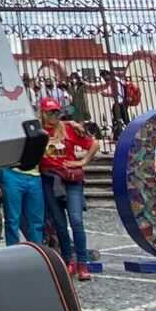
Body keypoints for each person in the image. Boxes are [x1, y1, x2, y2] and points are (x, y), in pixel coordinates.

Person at [40, 95, 98, 279]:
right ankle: (68, 260)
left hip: (71, 178)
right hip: (50, 179)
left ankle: (83, 262)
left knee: (76, 220)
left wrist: (83, 161)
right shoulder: (39, 131)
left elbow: (94, 144)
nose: (54, 116)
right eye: (50, 112)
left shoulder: (68, 129)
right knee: (59, 223)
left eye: (57, 112)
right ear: (43, 113)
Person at [0, 154, 45, 246]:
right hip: (12, 172)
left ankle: (37, 252)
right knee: (12, 220)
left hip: (35, 175)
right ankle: (13, 253)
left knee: (37, 220)